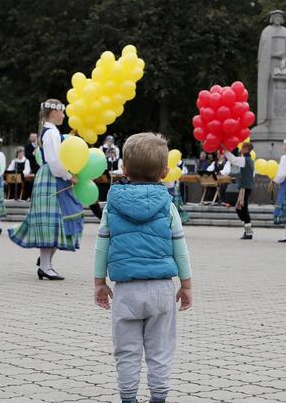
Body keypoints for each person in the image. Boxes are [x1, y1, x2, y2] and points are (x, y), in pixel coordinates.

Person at [93, 132, 192, 403]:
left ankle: (128, 398)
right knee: (160, 351)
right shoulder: (168, 206)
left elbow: (101, 246)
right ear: (165, 171)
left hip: (126, 290)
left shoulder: (111, 205)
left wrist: (99, 282)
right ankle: (158, 398)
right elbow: (180, 249)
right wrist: (186, 285)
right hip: (161, 290)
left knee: (126, 352)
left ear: (123, 169)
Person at [8, 99, 84, 280]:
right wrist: (68, 176)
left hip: (52, 177)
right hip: (53, 178)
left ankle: (45, 262)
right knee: (52, 221)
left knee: (57, 221)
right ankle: (45, 265)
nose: (64, 115)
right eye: (62, 112)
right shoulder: (51, 133)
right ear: (53, 113)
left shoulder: (52, 132)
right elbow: (54, 161)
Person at [225, 142, 255, 240]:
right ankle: (247, 229)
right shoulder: (250, 160)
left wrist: (225, 150)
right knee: (240, 207)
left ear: (246, 149)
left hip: (244, 187)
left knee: (242, 208)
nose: (240, 149)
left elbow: (233, 160)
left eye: (242, 148)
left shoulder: (244, 160)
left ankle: (248, 232)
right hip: (246, 186)